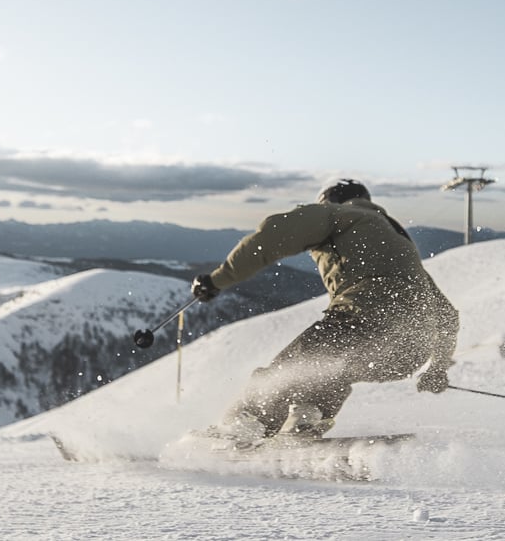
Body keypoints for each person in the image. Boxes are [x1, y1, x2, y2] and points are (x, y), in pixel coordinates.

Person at [190, 178, 461, 444]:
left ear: (329, 199)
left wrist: (217, 280)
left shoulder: (339, 213)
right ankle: (306, 418)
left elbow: (272, 236)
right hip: (408, 352)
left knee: (290, 370)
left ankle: (246, 422)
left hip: (363, 321)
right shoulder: (397, 241)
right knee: (329, 368)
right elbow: (447, 314)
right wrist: (437, 368)